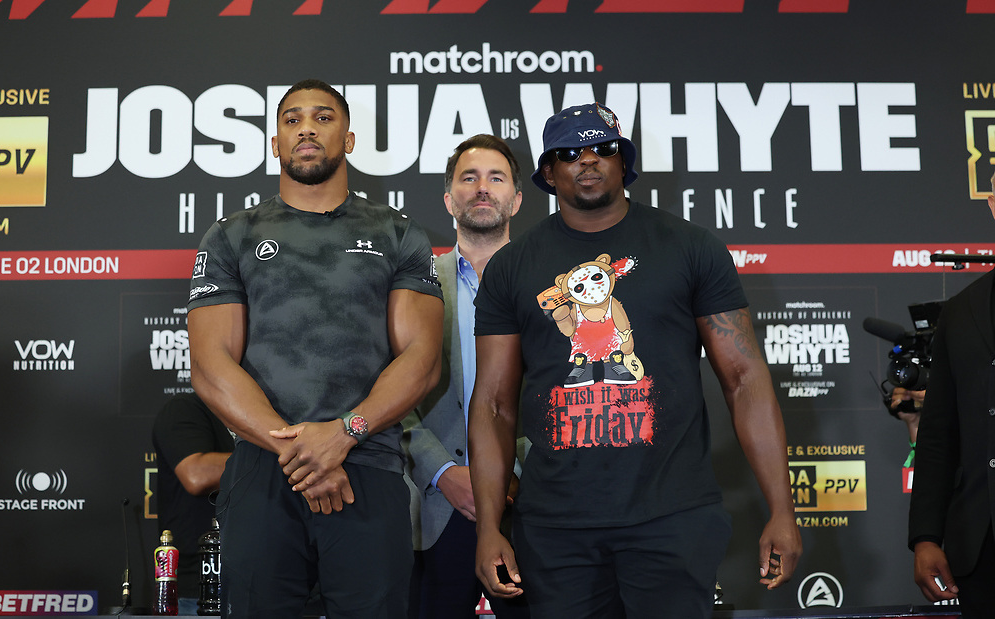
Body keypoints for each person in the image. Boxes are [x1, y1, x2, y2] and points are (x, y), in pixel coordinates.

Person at [468, 103, 802, 618]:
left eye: (602, 148)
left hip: (672, 517)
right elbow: (492, 404)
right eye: (569, 153)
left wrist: (782, 508)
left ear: (624, 162)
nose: (587, 160)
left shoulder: (691, 248)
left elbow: (744, 379)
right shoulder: (512, 267)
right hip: (556, 529)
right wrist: (489, 528)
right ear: (548, 174)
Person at [186, 79, 444, 618]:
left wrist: (343, 433)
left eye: (323, 118)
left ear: (348, 139)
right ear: (274, 143)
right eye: (292, 120)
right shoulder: (231, 235)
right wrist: (302, 452)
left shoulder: (398, 233)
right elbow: (211, 366)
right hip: (263, 470)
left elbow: (421, 362)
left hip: (366, 465)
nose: (306, 128)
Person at [403, 134, 529, 619]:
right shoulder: (412, 285)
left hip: (531, 501)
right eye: (468, 178)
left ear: (516, 199)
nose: (482, 188)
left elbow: (567, 387)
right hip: (438, 505)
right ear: (447, 198)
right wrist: (441, 472)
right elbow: (386, 393)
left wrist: (515, 472)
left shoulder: (551, 286)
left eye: (496, 178)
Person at [908, 172, 995, 618]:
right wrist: (926, 536)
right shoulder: (961, 311)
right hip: (983, 549)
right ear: (993, 204)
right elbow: (938, 433)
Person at [151, 392, 234, 616]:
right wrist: (278, 455)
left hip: (263, 579)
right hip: (198, 587)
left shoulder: (273, 417)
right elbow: (197, 475)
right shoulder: (185, 408)